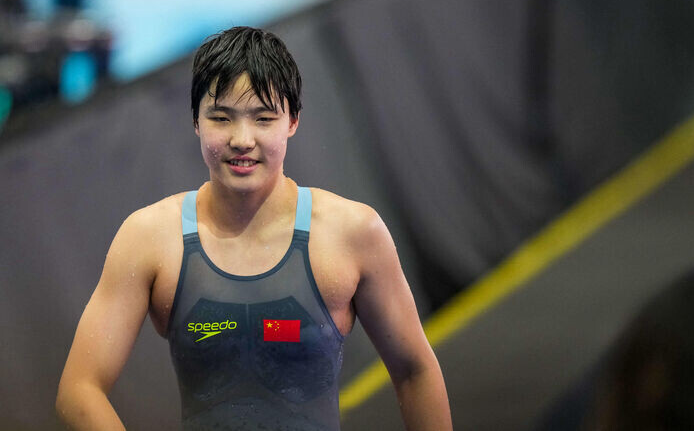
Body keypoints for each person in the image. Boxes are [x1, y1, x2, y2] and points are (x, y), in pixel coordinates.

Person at [56, 27, 452, 430]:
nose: (242, 140)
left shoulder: (352, 233)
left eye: (263, 118)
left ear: (293, 122)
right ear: (196, 121)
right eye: (221, 118)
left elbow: (415, 371)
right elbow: (79, 388)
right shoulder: (149, 239)